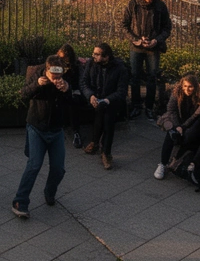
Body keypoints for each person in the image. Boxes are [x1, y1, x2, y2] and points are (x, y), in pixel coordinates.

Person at [11, 55, 70, 219]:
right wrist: (37, 85)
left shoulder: (64, 81)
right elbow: (23, 94)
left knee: (58, 168)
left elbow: (73, 101)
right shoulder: (36, 75)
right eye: (54, 76)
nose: (56, 79)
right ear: (47, 70)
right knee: (34, 165)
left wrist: (66, 89)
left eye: (59, 76)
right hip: (37, 127)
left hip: (56, 129)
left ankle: (50, 192)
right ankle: (20, 201)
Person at [121, 0, 172, 120]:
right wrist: (134, 39)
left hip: (153, 48)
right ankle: (136, 106)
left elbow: (167, 27)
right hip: (136, 47)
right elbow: (124, 25)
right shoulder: (133, 4)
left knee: (152, 78)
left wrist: (156, 40)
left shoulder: (160, 6)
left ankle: (149, 107)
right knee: (135, 77)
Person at [80, 42, 129, 170]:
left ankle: (105, 152)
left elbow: (122, 91)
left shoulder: (120, 68)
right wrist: (90, 95)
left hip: (111, 101)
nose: (93, 56)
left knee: (108, 118)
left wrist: (108, 100)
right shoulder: (91, 64)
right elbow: (84, 82)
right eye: (94, 53)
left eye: (97, 54)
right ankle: (96, 143)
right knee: (99, 111)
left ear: (106, 57)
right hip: (94, 98)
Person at [155, 74, 200, 180]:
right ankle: (162, 163)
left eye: (190, 86)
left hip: (192, 123)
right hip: (177, 121)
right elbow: (171, 110)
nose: (187, 89)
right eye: (185, 86)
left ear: (195, 87)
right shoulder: (176, 94)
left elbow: (196, 116)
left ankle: (177, 159)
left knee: (187, 135)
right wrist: (177, 126)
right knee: (171, 134)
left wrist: (183, 127)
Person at [54, 44, 88, 149]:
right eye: (62, 58)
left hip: (73, 91)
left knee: (73, 101)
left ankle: (76, 132)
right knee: (63, 100)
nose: (64, 61)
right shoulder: (56, 64)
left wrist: (72, 88)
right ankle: (61, 129)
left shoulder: (76, 66)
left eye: (66, 58)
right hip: (59, 91)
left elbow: (81, 82)